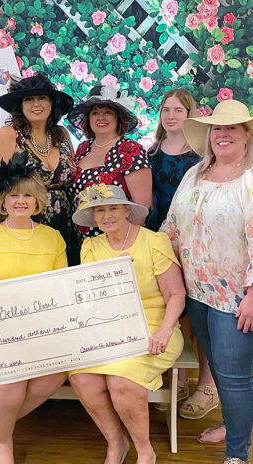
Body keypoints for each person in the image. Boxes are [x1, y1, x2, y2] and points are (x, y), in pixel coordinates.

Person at [161, 99, 253, 464]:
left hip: (241, 296)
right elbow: (172, 228)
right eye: (218, 128)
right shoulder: (195, 174)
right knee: (216, 362)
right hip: (198, 291)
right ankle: (233, 425)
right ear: (209, 135)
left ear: (247, 135)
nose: (223, 134)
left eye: (232, 128)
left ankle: (237, 454)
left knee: (233, 376)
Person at [0, 153, 68, 464]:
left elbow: (61, 287)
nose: (21, 201)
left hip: (41, 327)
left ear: (38, 201)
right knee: (11, 377)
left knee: (57, 372)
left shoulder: (53, 238)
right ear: (3, 201)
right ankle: (4, 443)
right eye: (14, 195)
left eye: (28, 195)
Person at [67, 183, 185, 464]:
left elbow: (176, 294)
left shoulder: (154, 241)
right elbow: (90, 298)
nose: (107, 216)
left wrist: (166, 330)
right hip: (109, 327)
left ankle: (144, 450)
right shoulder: (91, 246)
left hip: (155, 326)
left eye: (113, 208)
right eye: (100, 211)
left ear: (126, 211)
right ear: (93, 218)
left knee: (121, 380)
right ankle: (116, 442)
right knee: (81, 376)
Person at [146, 89, 220, 422]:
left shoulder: (203, 154)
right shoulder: (151, 153)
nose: (171, 115)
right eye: (166, 109)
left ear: (191, 115)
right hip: (164, 244)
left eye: (178, 109)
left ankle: (207, 386)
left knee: (201, 316)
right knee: (173, 312)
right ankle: (178, 380)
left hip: (199, 246)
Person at [0, 72, 81, 265]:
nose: (36, 104)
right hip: (23, 229)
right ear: (20, 105)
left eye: (42, 98)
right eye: (29, 99)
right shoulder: (9, 135)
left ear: (52, 103)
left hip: (67, 228)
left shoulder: (62, 135)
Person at [67, 85, 152, 246]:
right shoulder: (82, 149)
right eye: (95, 113)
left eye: (107, 112)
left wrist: (123, 244)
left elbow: (141, 206)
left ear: (118, 117)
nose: (101, 117)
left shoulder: (131, 150)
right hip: (83, 243)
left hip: (118, 242)